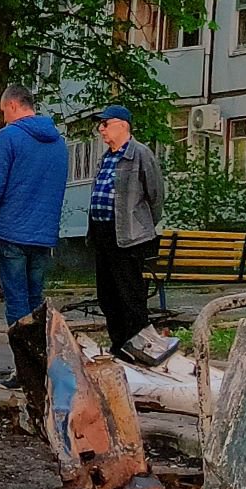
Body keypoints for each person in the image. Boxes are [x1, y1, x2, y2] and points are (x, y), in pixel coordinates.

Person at [0, 86, 69, 413]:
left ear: (13, 105)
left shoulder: (9, 137)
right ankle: (42, 365)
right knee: (35, 299)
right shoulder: (59, 142)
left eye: (3, 111)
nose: (3, 118)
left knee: (17, 302)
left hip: (12, 231)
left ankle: (24, 370)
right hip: (43, 235)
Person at [85, 104, 164, 360]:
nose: (101, 129)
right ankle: (119, 345)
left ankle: (138, 345)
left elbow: (155, 196)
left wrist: (140, 226)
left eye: (105, 124)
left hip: (129, 236)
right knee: (107, 294)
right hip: (103, 232)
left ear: (122, 125)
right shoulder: (106, 157)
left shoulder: (140, 154)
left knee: (129, 294)